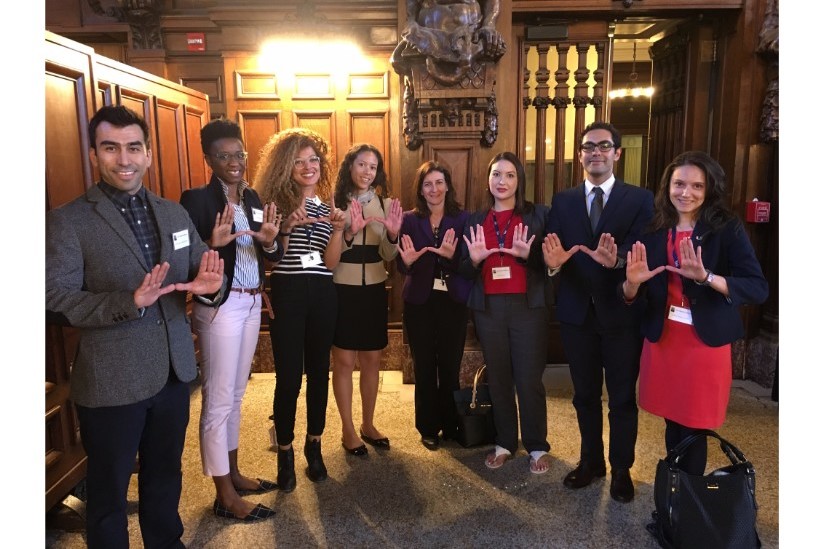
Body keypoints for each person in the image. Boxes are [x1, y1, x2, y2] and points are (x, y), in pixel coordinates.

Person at [45, 105, 227, 547]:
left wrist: (210, 288)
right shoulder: (69, 220)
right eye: (110, 148)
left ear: (148, 153)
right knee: (108, 495)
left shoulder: (173, 213)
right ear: (94, 155)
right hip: (111, 380)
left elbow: (201, 271)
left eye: (133, 147)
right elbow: (53, 298)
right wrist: (129, 302)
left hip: (172, 372)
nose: (123, 159)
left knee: (165, 477)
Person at [621, 151, 768, 475]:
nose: (686, 192)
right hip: (664, 340)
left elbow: (757, 287)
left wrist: (706, 278)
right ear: (668, 186)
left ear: (709, 189)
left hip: (703, 344)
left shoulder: (725, 228)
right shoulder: (654, 227)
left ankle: (688, 496)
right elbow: (633, 292)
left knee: (694, 426)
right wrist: (631, 284)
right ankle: (676, 491)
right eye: (679, 184)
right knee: (672, 422)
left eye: (697, 186)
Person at [542, 121, 654, 503]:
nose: (596, 153)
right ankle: (591, 461)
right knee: (585, 395)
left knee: (621, 397)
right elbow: (554, 251)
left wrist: (617, 260)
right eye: (589, 147)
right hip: (576, 315)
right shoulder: (564, 201)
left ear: (617, 153)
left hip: (621, 313)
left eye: (604, 146)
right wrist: (552, 265)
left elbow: (642, 249)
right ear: (580, 155)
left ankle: (621, 468)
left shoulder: (639, 199)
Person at [179, 119, 282, 521]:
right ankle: (223, 493)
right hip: (221, 306)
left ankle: (234, 473)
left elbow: (269, 253)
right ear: (209, 158)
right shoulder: (195, 200)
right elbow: (183, 260)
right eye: (223, 156)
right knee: (218, 398)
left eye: (239, 153)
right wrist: (211, 244)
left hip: (253, 302)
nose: (234, 162)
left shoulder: (253, 198)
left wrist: (270, 241)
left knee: (237, 394)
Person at [254, 127, 347, 492]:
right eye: (299, 161)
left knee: (319, 373)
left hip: (323, 293)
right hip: (289, 292)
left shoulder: (327, 207)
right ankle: (285, 451)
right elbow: (273, 261)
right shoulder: (274, 207)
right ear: (285, 167)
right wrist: (287, 229)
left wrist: (337, 230)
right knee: (289, 377)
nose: (308, 167)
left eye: (313, 160)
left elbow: (331, 263)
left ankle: (314, 446)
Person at [460, 151, 553, 474]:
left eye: (510, 175)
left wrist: (529, 256)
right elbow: (463, 268)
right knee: (498, 378)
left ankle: (537, 445)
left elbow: (551, 263)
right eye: (496, 174)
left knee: (529, 379)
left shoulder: (538, 215)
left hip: (528, 307)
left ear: (519, 180)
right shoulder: (475, 220)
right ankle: (505, 442)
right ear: (488, 180)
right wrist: (474, 261)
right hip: (489, 308)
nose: (502, 181)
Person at [330, 144, 403, 455]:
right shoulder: (334, 204)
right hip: (342, 287)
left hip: (374, 286)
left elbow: (388, 255)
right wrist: (347, 232)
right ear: (350, 167)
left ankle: (368, 424)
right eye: (361, 164)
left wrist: (393, 236)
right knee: (344, 361)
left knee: (372, 359)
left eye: (373, 167)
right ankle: (347, 429)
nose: (367, 172)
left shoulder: (384, 205)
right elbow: (328, 254)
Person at [396, 161, 472, 450]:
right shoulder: (408, 220)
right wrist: (407, 262)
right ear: (420, 190)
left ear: (448, 186)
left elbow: (469, 265)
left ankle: (451, 425)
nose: (434, 189)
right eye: (428, 184)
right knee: (424, 366)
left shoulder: (463, 219)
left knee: (450, 365)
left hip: (453, 301)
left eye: (439, 182)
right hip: (419, 302)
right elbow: (402, 264)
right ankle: (428, 427)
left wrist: (451, 258)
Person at [391, 0, 507, 86]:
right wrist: (410, 21)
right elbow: (412, 4)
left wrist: (489, 25)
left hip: (469, 33)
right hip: (426, 35)